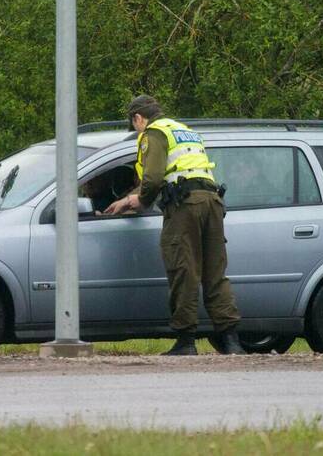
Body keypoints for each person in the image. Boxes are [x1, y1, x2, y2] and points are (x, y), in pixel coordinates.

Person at [104, 95, 244, 355]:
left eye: (134, 125)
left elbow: (154, 178)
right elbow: (177, 171)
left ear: (138, 118)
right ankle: (231, 341)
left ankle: (186, 341)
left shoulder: (153, 133)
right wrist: (130, 198)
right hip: (212, 203)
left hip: (185, 207)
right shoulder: (184, 131)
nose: (135, 131)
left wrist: (141, 201)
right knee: (215, 273)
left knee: (183, 270)